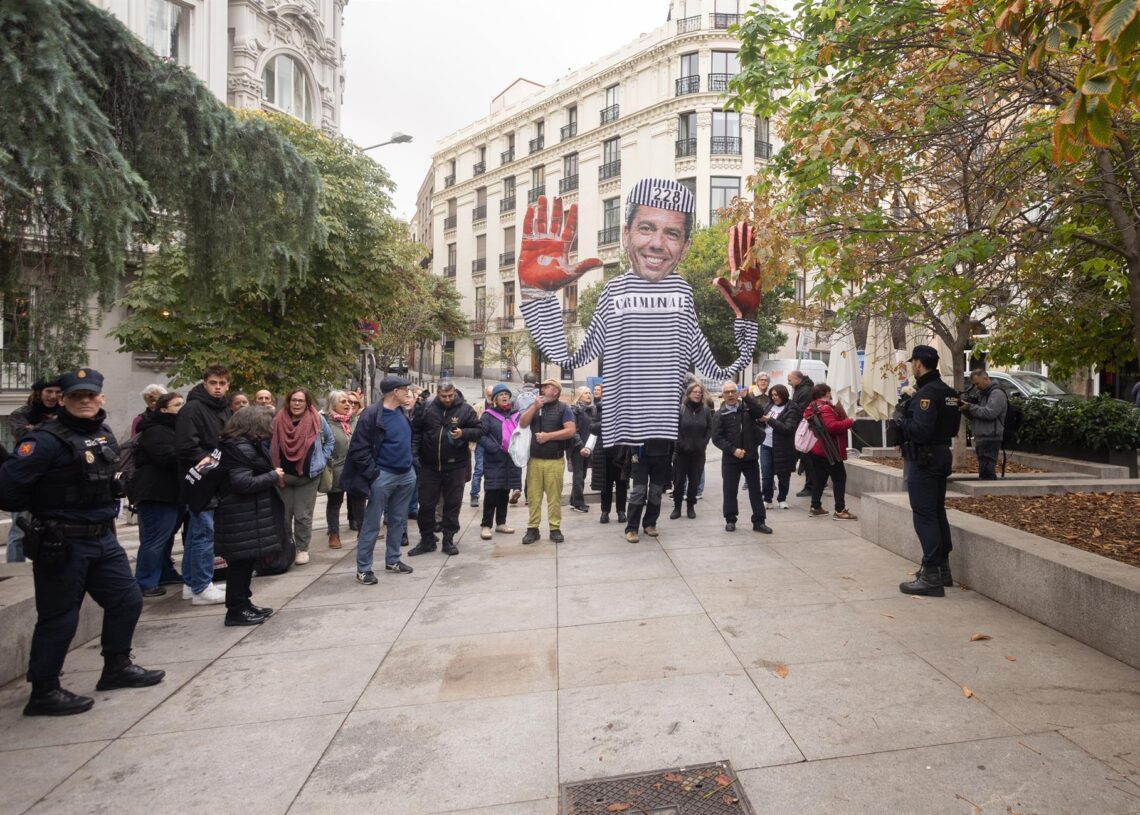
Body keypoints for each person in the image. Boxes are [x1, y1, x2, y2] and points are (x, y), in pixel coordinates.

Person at [517, 182, 760, 543]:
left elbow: (716, 369)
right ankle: (635, 524)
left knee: (654, 487)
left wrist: (747, 321)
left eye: (672, 233)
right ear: (626, 234)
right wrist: (537, 295)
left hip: (664, 429)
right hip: (626, 429)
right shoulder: (614, 292)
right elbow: (574, 357)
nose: (658, 244)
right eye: (646, 228)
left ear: (685, 246)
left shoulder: (682, 293)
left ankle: (648, 523)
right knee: (637, 488)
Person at [0, 368, 164, 716]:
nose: (86, 401)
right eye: (77, 396)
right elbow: (9, 491)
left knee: (127, 600)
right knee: (59, 618)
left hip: (102, 539)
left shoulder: (103, 433)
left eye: (91, 395)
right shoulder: (44, 441)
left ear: (101, 398)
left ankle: (116, 667)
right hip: (63, 543)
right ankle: (44, 691)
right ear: (63, 399)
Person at [897, 345, 962, 597]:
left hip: (924, 458)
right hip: (940, 455)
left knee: (924, 514)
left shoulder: (926, 394)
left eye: (913, 362)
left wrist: (903, 421)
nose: (912, 366)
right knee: (936, 512)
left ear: (918, 363)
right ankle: (943, 570)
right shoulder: (948, 393)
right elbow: (954, 427)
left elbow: (921, 431)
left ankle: (931, 575)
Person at [341, 375, 417, 584]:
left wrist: (412, 463)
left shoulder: (402, 412)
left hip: (406, 475)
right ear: (395, 391)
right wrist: (374, 473)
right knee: (372, 524)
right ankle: (363, 569)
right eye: (404, 389)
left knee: (398, 521)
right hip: (383, 476)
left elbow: (407, 440)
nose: (407, 393)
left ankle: (393, 559)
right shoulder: (372, 415)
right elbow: (359, 449)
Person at [214, 405, 284, 626]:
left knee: (246, 563)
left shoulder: (241, 445)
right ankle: (236, 609)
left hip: (246, 514)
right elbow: (242, 482)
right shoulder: (240, 448)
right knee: (240, 565)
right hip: (240, 514)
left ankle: (244, 604)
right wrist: (273, 475)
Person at [175, 365, 232, 604]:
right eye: (213, 383)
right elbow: (187, 446)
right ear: (204, 383)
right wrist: (213, 464)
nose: (218, 387)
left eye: (222, 383)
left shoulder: (224, 408)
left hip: (215, 479)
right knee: (203, 533)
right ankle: (201, 586)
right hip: (200, 480)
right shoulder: (192, 408)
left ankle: (191, 582)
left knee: (199, 532)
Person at [407, 381, 482, 557]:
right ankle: (427, 539)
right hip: (429, 466)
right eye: (443, 396)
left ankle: (448, 539)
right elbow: (416, 432)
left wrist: (464, 433)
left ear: (454, 392)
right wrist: (414, 455)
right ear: (438, 394)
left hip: (455, 465)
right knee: (425, 504)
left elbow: (479, 430)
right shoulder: (427, 408)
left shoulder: (465, 410)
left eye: (450, 396)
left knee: (452, 504)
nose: (447, 399)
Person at [271, 388, 334, 566]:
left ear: (307, 402)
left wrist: (322, 458)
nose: (297, 403)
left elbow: (330, 440)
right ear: (288, 402)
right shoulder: (278, 419)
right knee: (283, 515)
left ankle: (302, 549)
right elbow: (270, 444)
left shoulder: (317, 419)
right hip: (283, 476)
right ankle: (287, 547)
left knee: (303, 515)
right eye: (294, 400)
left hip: (308, 477)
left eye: (301, 400)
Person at [133, 391, 186, 597]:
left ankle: (165, 571)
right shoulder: (156, 430)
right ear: (164, 409)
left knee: (166, 538)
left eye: (183, 404)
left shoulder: (174, 429)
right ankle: (145, 581)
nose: (181, 408)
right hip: (156, 493)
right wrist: (190, 453)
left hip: (172, 492)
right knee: (155, 539)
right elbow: (166, 457)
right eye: (177, 405)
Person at [6, 377, 62, 562]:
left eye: (57, 392)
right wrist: (50, 427)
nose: (53, 396)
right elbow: (25, 436)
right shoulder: (20, 414)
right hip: (26, 479)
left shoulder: (64, 415)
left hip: (53, 479)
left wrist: (36, 428)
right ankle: (14, 571)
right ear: (39, 393)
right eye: (49, 392)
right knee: (20, 529)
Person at [519, 379, 576, 544]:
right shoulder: (535, 406)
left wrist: (548, 437)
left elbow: (571, 431)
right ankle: (532, 528)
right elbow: (522, 423)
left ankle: (555, 528)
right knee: (534, 496)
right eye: (541, 387)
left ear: (556, 391)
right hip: (535, 460)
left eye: (546, 387)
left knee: (554, 497)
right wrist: (534, 407)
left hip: (554, 460)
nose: (542, 390)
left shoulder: (564, 409)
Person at [713, 380, 771, 535]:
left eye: (733, 391)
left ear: (738, 393)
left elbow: (759, 413)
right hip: (731, 459)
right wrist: (733, 450)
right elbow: (717, 438)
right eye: (727, 392)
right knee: (730, 491)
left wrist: (748, 398)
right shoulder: (720, 414)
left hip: (750, 457)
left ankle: (759, 521)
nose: (731, 395)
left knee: (755, 491)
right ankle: (730, 520)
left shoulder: (746, 408)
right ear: (723, 395)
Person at [802, 384, 857, 521]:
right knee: (839, 478)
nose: (830, 394)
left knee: (819, 479)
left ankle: (815, 507)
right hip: (829, 450)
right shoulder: (825, 408)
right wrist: (849, 422)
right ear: (825, 393)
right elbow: (831, 427)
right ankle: (840, 510)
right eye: (829, 392)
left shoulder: (813, 406)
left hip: (818, 449)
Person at [477, 384, 522, 540]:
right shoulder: (488, 416)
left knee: (504, 491)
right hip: (494, 459)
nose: (504, 397)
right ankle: (486, 525)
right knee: (492, 492)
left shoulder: (516, 415)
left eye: (506, 394)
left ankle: (501, 523)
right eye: (501, 394)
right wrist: (494, 449)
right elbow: (480, 435)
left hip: (510, 460)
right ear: (494, 398)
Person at [320, 390, 362, 549]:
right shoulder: (326, 423)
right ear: (332, 405)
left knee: (358, 499)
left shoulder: (355, 419)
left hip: (355, 467)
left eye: (348, 402)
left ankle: (363, 530)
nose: (348, 404)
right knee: (335, 501)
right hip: (336, 468)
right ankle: (334, 534)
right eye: (342, 402)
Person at [670, 382, 714, 520]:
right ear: (688, 394)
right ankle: (677, 507)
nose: (697, 394)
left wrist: (703, 443)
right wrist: (681, 443)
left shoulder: (706, 410)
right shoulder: (680, 409)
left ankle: (690, 506)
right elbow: (674, 429)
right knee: (678, 482)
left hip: (698, 453)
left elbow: (710, 429)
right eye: (694, 392)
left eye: (699, 392)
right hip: (682, 453)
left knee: (694, 482)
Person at [961, 369, 1008, 480]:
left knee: (988, 472)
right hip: (983, 437)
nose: (976, 387)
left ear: (986, 379)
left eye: (977, 383)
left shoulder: (996, 393)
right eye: (974, 384)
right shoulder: (984, 394)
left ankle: (990, 493)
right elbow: (977, 416)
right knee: (984, 471)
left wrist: (970, 407)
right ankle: (987, 493)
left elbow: (990, 413)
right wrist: (964, 409)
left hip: (991, 437)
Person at [762, 384, 800, 509]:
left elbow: (787, 428)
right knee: (766, 474)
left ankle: (782, 498)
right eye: (772, 395)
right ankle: (767, 498)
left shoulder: (791, 408)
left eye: (777, 395)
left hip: (783, 448)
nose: (774, 397)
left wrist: (769, 420)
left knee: (783, 475)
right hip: (766, 445)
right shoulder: (769, 405)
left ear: (783, 394)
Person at [787, 370, 819, 497]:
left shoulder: (805, 391)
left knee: (808, 459)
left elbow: (802, 410)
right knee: (806, 459)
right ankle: (811, 485)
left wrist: (790, 408)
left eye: (790, 380)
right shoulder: (803, 389)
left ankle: (811, 486)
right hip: (804, 428)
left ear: (797, 379)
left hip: (806, 429)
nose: (788, 383)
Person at [568, 386, 598, 513]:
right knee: (579, 475)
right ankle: (578, 504)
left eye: (589, 393)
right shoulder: (575, 410)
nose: (589, 395)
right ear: (579, 395)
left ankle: (573, 500)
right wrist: (581, 446)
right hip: (577, 448)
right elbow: (574, 431)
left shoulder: (591, 410)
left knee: (582, 474)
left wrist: (589, 447)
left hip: (587, 447)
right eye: (586, 393)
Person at [470, 385, 493, 508]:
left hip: (494, 443)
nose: (491, 397)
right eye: (489, 395)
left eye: (493, 394)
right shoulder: (478, 407)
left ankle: (490, 494)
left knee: (492, 470)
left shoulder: (498, 407)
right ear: (485, 394)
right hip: (480, 443)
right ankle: (474, 495)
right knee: (479, 469)